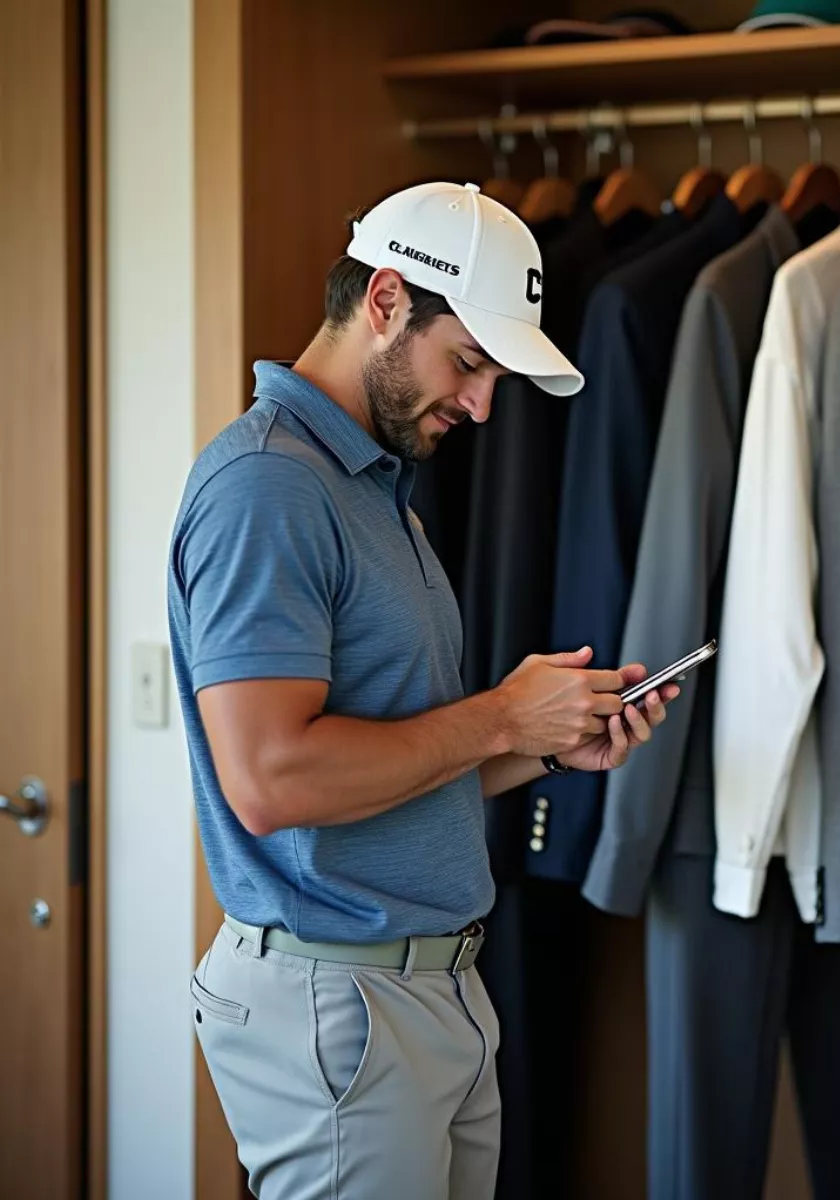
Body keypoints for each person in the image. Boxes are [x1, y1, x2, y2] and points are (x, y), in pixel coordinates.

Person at [168, 181, 677, 1199]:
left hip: (424, 990)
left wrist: (537, 745)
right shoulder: (268, 486)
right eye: (472, 363)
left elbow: (393, 761)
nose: (483, 405)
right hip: (344, 1002)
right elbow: (271, 780)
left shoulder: (373, 492)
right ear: (387, 302)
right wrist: (499, 713)